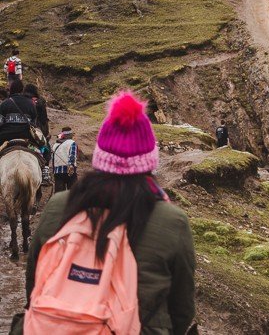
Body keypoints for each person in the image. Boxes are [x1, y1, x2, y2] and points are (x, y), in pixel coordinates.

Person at [14, 91, 196, 334]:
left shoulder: (58, 206)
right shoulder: (172, 222)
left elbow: (34, 286)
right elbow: (182, 311)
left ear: (102, 156)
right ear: (149, 161)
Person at [50, 127, 78, 192]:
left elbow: (53, 159)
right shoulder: (72, 142)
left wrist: (54, 171)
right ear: (70, 136)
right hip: (70, 171)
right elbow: (72, 155)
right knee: (72, 194)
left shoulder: (55, 145)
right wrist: (71, 165)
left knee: (59, 193)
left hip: (57, 172)